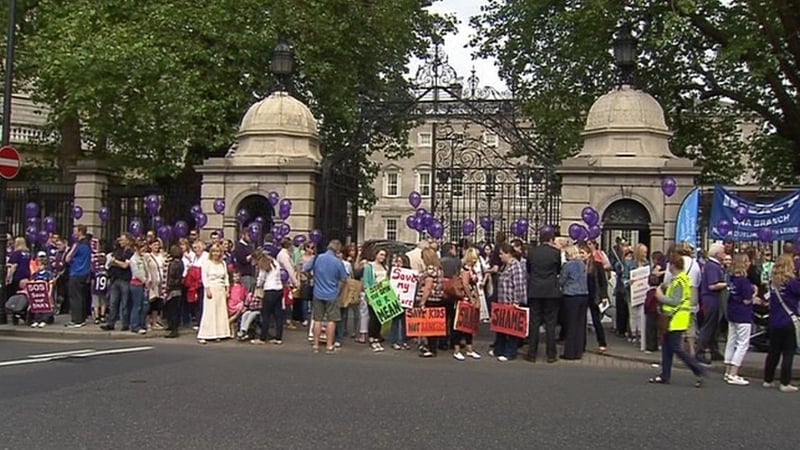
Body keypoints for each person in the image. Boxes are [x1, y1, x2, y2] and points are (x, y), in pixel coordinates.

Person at [649, 255, 705, 387]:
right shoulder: (679, 279)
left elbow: (675, 301)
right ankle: (665, 375)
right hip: (673, 318)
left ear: (673, 266)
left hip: (676, 319)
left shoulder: (679, 281)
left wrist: (660, 297)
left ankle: (698, 369)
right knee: (667, 348)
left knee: (676, 348)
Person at [303, 239, 348, 354]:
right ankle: (329, 345)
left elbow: (305, 269)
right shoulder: (338, 262)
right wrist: (339, 290)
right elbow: (344, 279)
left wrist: (311, 277)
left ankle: (316, 345)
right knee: (331, 320)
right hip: (332, 293)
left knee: (317, 319)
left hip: (318, 292)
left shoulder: (318, 258)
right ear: (337, 250)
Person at [763, 254, 799, 392]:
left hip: (774, 320)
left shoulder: (773, 283)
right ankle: (785, 383)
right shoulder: (792, 282)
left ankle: (768, 379)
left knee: (773, 351)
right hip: (788, 320)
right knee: (788, 352)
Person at [526, 227, 562, 363]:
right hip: (551, 290)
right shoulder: (556, 253)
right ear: (551, 239)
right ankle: (551, 354)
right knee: (550, 324)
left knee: (534, 322)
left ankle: (532, 354)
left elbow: (529, 269)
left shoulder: (532, 252)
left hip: (535, 290)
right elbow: (558, 270)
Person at [724, 254, 756, 386]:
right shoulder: (744, 281)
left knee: (731, 341)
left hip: (732, 311)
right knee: (742, 344)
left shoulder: (732, 279)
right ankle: (734, 373)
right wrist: (754, 293)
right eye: (747, 261)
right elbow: (747, 300)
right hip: (743, 314)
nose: (749, 264)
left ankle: (727, 371)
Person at [494, 243, 527, 362]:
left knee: (512, 330)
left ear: (508, 254)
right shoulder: (505, 266)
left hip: (511, 302)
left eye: (501, 254)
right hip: (502, 302)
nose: (500, 256)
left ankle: (510, 352)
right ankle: (499, 349)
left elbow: (519, 285)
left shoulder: (515, 266)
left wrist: (516, 301)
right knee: (501, 328)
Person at [697, 243, 728, 365]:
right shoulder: (712, 266)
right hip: (711, 299)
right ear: (717, 254)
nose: (724, 254)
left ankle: (714, 350)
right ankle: (700, 351)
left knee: (715, 326)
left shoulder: (715, 265)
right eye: (723, 252)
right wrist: (726, 284)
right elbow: (712, 285)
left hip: (714, 298)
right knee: (709, 325)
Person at [559, 245, 589, 360]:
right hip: (584, 295)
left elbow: (562, 280)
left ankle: (570, 352)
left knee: (571, 324)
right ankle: (578, 351)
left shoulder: (568, 265)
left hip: (571, 295)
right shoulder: (582, 264)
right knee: (580, 324)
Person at [197, 244, 231, 344]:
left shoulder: (223, 263)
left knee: (220, 312)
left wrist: (227, 289)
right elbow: (204, 277)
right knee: (209, 312)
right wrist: (207, 289)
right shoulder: (207, 263)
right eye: (214, 251)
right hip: (211, 288)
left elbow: (226, 277)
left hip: (221, 289)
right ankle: (205, 334)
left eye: (218, 251)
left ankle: (219, 333)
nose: (216, 253)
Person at [451, 248, 482, 361]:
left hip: (471, 299)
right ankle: (457, 350)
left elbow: (474, 286)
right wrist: (470, 298)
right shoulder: (465, 269)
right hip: (463, 300)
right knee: (459, 325)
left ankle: (469, 349)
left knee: (469, 325)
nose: (476, 260)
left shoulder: (472, 270)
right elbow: (465, 284)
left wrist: (477, 298)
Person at [101, 234, 134, 331]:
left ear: (128, 241)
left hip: (125, 280)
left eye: (122, 240)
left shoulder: (130, 252)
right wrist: (116, 262)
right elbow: (110, 263)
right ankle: (110, 323)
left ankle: (125, 324)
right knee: (113, 302)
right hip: (115, 279)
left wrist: (115, 262)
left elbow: (125, 265)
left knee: (124, 303)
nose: (120, 242)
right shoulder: (118, 251)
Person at [417, 247, 445, 358]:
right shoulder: (439, 269)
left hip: (430, 300)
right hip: (438, 299)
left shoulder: (430, 270)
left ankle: (431, 348)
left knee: (429, 325)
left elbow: (428, 287)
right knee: (434, 325)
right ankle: (431, 346)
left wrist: (422, 302)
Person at [253, 253, 285, 345]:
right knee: (278, 315)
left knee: (266, 315)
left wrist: (258, 285)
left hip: (269, 290)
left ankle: (262, 338)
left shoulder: (263, 265)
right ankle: (278, 337)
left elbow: (261, 279)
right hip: (279, 289)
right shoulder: (275, 262)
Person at [362, 248, 389, 352]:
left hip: (383, 295)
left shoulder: (385, 267)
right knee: (373, 317)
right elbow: (366, 282)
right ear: (376, 255)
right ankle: (372, 337)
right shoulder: (369, 266)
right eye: (381, 254)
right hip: (373, 295)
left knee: (380, 317)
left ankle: (377, 336)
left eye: (384, 255)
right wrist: (370, 295)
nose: (383, 257)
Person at [64, 225, 92, 328]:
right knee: (82, 296)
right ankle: (82, 318)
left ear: (80, 232)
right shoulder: (88, 244)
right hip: (85, 273)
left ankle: (76, 320)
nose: (73, 233)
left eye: (75, 231)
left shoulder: (78, 245)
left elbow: (67, 259)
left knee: (75, 297)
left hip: (76, 272)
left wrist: (71, 249)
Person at [584, 242, 609, 353]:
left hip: (594, 294)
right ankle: (581, 343)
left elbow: (603, 281)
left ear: (589, 254)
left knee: (596, 320)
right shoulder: (580, 265)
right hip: (583, 295)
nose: (581, 255)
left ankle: (602, 343)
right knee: (582, 320)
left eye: (583, 253)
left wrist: (604, 296)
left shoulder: (597, 265)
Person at [128, 240, 150, 335]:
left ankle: (142, 324)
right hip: (136, 285)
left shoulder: (143, 258)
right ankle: (135, 325)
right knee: (137, 306)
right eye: (141, 249)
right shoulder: (133, 260)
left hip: (143, 284)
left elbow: (146, 269)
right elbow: (137, 273)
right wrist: (145, 280)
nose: (143, 251)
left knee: (144, 305)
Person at [163, 244, 184, 338]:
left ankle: (174, 330)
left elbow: (171, 277)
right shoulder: (181, 263)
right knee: (174, 309)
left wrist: (168, 288)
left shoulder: (173, 264)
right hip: (178, 288)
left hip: (172, 289)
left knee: (172, 310)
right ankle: (172, 326)